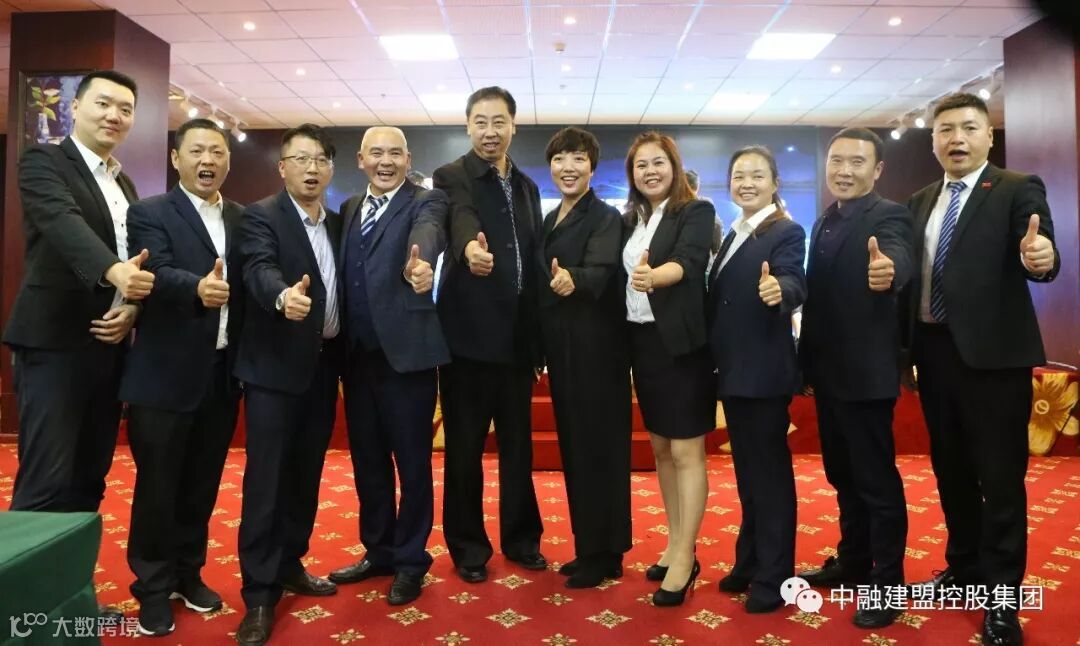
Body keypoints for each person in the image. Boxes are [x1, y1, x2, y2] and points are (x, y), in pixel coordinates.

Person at [905, 92, 1059, 646]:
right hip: (934, 354)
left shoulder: (1016, 188)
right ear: (933, 141)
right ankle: (964, 568)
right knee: (950, 471)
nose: (957, 139)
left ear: (989, 136)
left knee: (1000, 479)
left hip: (995, 360)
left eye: (969, 128)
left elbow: (1041, 252)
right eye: (946, 129)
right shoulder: (920, 199)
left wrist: (1041, 258)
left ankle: (1002, 598)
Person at [5, 69, 152, 515]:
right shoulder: (44, 161)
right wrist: (114, 272)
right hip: (55, 342)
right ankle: (30, 564)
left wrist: (133, 306)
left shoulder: (124, 183)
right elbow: (61, 222)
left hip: (109, 346)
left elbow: (134, 256)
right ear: (75, 107)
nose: (114, 115)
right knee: (47, 479)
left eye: (125, 109)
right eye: (103, 103)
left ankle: (76, 564)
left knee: (90, 476)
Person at [121, 118, 243, 636]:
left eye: (217, 151)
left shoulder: (241, 217)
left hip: (221, 374)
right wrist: (196, 288)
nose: (207, 160)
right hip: (164, 376)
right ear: (176, 159)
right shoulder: (150, 212)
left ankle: (188, 574)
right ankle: (151, 587)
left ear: (228, 160)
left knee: (201, 483)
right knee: (158, 486)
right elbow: (155, 270)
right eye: (196, 151)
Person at [327, 127, 449, 606]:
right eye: (375, 153)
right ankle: (378, 551)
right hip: (356, 360)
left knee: (413, 465)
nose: (385, 161)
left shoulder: (425, 201)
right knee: (368, 462)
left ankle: (411, 560)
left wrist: (421, 266)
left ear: (408, 158)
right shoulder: (349, 208)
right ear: (360, 159)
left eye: (394, 153)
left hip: (408, 358)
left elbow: (428, 234)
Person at [797, 127, 914, 629]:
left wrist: (890, 271)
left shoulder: (888, 216)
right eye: (836, 161)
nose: (844, 171)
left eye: (857, 162)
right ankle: (854, 560)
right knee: (842, 475)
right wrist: (805, 364)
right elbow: (818, 303)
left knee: (875, 483)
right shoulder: (825, 220)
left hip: (866, 376)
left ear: (878, 169)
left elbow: (898, 256)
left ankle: (888, 583)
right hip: (828, 375)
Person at [233, 124, 343, 645]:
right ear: (282, 168)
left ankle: (290, 563)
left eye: (319, 159)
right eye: (300, 159)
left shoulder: (338, 223)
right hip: (274, 371)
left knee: (305, 474)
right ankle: (259, 594)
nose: (311, 168)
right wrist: (282, 297)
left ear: (331, 168)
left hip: (323, 369)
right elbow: (258, 269)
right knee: (267, 481)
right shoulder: (260, 217)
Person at [433, 86, 546, 584]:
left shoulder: (527, 187)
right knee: (465, 450)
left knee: (519, 450)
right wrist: (468, 251)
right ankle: (468, 547)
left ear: (513, 126)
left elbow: (535, 261)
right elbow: (461, 217)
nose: (490, 132)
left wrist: (538, 340)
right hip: (468, 342)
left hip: (517, 343)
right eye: (480, 122)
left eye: (499, 122)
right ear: (467, 126)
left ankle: (522, 540)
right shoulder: (452, 175)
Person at [708, 145, 806, 613]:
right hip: (736, 372)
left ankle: (774, 576)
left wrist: (779, 289)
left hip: (763, 374)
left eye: (757, 175)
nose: (746, 183)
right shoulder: (736, 231)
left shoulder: (785, 230)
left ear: (774, 183)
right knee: (748, 476)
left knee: (768, 479)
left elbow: (793, 280)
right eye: (739, 175)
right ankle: (749, 562)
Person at [621, 131, 715, 607]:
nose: (650, 171)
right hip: (642, 345)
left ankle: (685, 557)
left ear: (674, 166)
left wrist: (654, 276)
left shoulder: (695, 211)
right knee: (660, 448)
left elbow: (688, 262)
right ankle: (677, 544)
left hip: (682, 347)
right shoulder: (632, 219)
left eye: (658, 162)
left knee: (685, 450)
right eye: (641, 165)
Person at [539, 127, 632, 589]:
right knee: (576, 449)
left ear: (592, 167)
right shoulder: (550, 217)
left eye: (577, 158)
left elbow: (602, 268)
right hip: (563, 348)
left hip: (598, 349)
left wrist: (572, 278)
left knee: (600, 450)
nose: (568, 167)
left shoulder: (605, 216)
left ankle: (603, 552)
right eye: (560, 159)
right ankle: (594, 547)